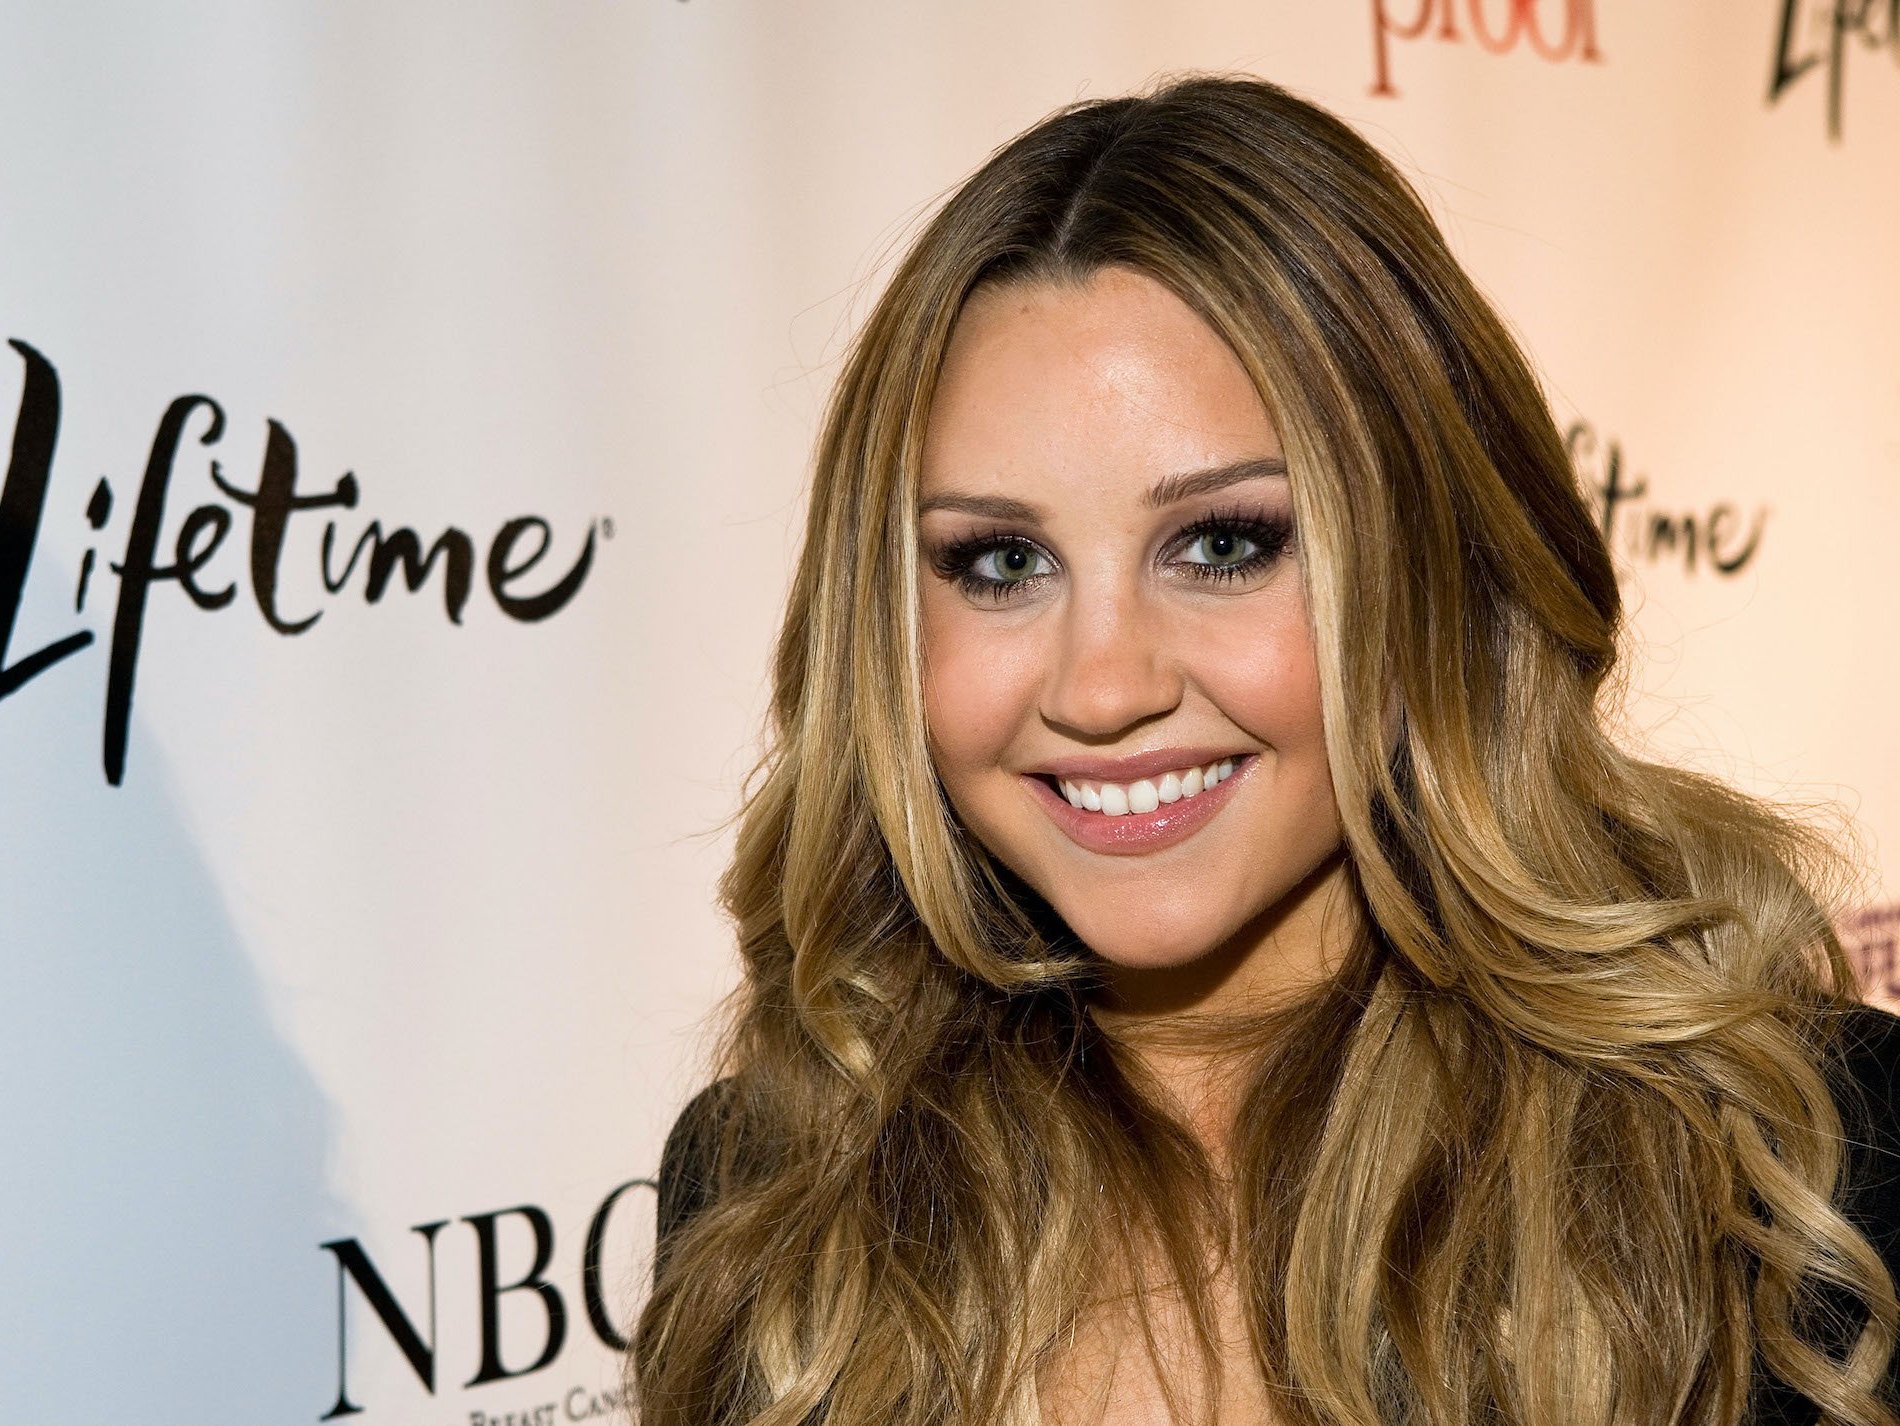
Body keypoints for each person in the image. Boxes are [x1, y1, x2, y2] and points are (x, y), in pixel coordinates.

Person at [629, 73, 1900, 1426]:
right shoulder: (778, 1196)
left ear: (1433, 562)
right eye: (1000, 560)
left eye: (1224, 544)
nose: (1103, 684)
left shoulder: (1801, 1171)